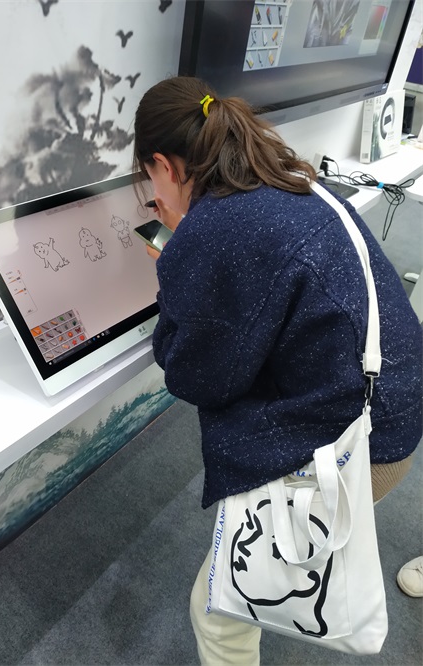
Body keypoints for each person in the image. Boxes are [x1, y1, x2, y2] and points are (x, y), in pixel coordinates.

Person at [132, 76, 422, 664]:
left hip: (360, 446)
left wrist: (178, 265)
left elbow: (197, 377)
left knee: (218, 612)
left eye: (148, 180)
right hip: (397, 403)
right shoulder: (289, 177)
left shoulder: (213, 229)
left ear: (163, 165)